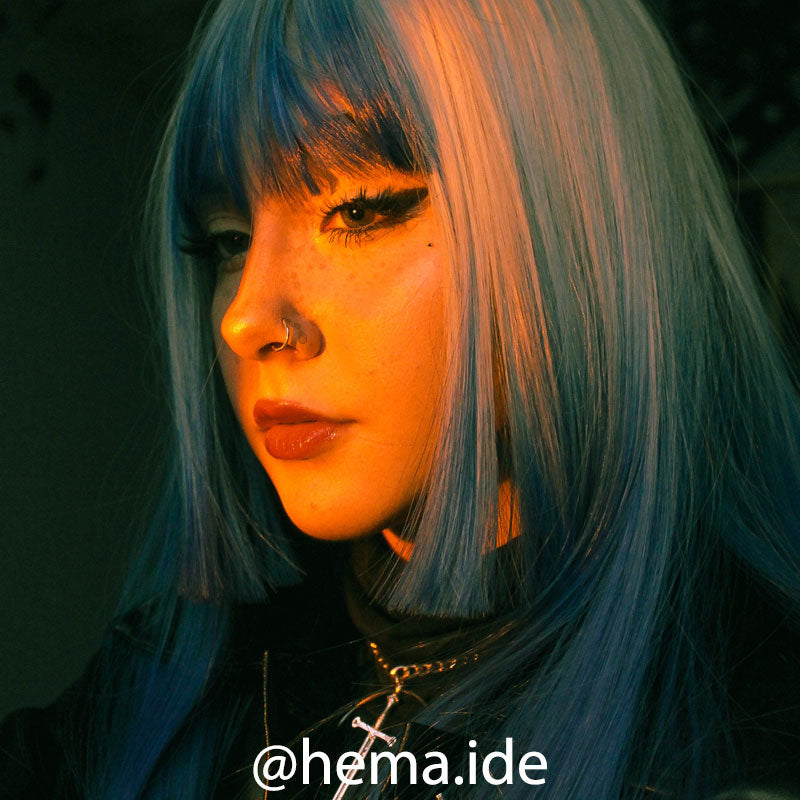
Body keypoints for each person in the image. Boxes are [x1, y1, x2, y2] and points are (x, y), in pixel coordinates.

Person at [2, 0, 799, 797]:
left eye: (358, 210)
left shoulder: (744, 732)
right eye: (228, 240)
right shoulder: (165, 685)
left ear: (578, 226)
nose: (247, 317)